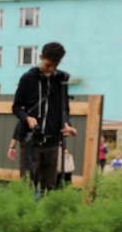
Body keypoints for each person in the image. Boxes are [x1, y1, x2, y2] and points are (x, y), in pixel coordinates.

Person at [11, 42, 77, 192]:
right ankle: (27, 213)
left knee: (49, 186)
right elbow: (16, 107)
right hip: (30, 140)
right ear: (41, 57)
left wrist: (67, 125)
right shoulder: (28, 78)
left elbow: (64, 109)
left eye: (55, 65)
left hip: (53, 141)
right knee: (27, 185)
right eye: (48, 65)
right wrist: (27, 118)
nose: (51, 68)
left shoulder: (61, 81)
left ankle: (46, 213)